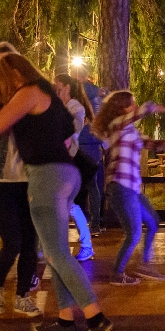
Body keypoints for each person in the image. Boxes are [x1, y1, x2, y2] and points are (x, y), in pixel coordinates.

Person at [0, 54, 113, 331]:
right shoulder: (47, 94)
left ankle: (95, 317)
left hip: (46, 177)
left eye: (2, 80)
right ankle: (66, 319)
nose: (2, 88)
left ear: (15, 73)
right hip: (66, 173)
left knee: (58, 255)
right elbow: (68, 133)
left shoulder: (29, 91)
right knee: (54, 253)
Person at [94, 91, 165, 285]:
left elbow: (156, 145)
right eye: (132, 104)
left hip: (132, 189)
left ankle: (145, 265)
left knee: (153, 222)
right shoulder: (117, 125)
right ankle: (117, 274)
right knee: (134, 234)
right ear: (121, 108)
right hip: (120, 186)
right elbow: (147, 107)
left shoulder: (131, 131)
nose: (136, 107)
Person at [0, 43, 42, 317]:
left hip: (29, 180)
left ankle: (22, 295)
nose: (5, 70)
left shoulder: (33, 98)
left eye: (10, 62)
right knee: (13, 242)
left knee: (30, 242)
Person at [55, 73, 95, 262]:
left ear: (67, 88)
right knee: (63, 205)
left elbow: (74, 129)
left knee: (69, 205)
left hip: (67, 161)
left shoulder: (75, 107)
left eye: (59, 86)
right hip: (59, 161)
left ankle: (86, 245)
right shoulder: (62, 106)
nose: (56, 89)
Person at [74, 64, 106, 232]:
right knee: (94, 184)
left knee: (79, 185)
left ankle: (84, 222)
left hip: (81, 142)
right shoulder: (99, 93)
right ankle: (97, 221)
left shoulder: (80, 91)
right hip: (96, 143)